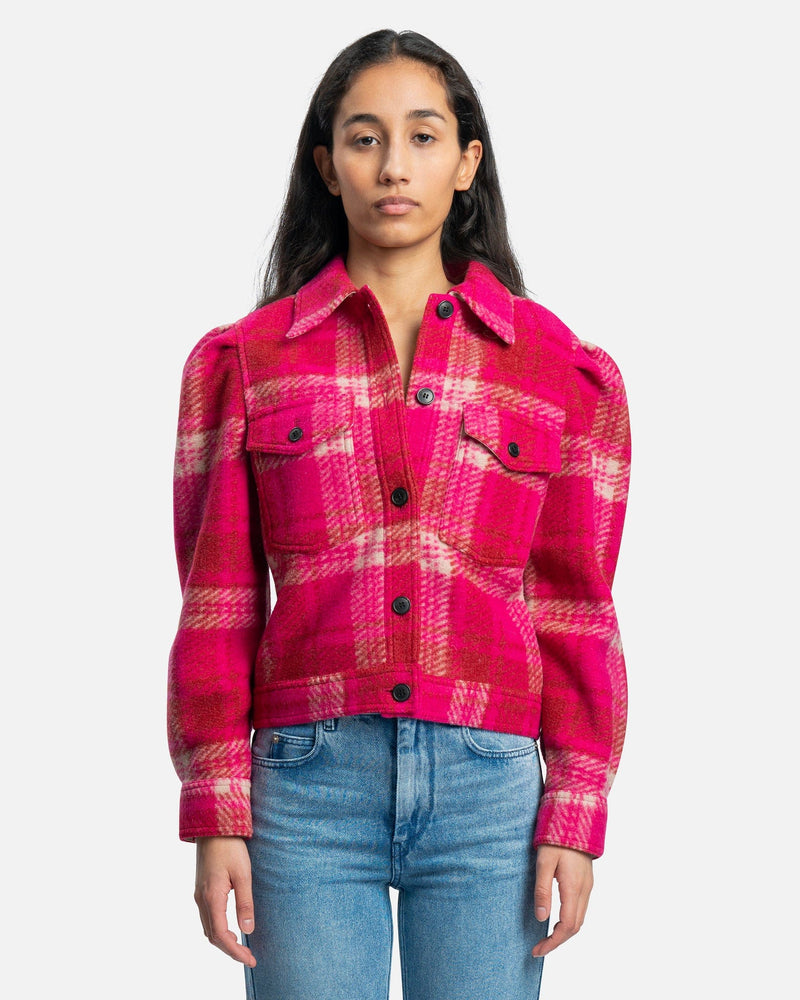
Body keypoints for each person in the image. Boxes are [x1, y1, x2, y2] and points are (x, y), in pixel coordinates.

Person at [167, 28, 631, 1000]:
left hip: (489, 793)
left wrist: (576, 805)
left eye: (423, 137)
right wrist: (215, 808)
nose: (393, 167)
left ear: (466, 163)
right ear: (325, 164)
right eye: (364, 138)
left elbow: (575, 609)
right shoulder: (248, 362)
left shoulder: (555, 370)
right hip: (303, 786)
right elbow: (218, 604)